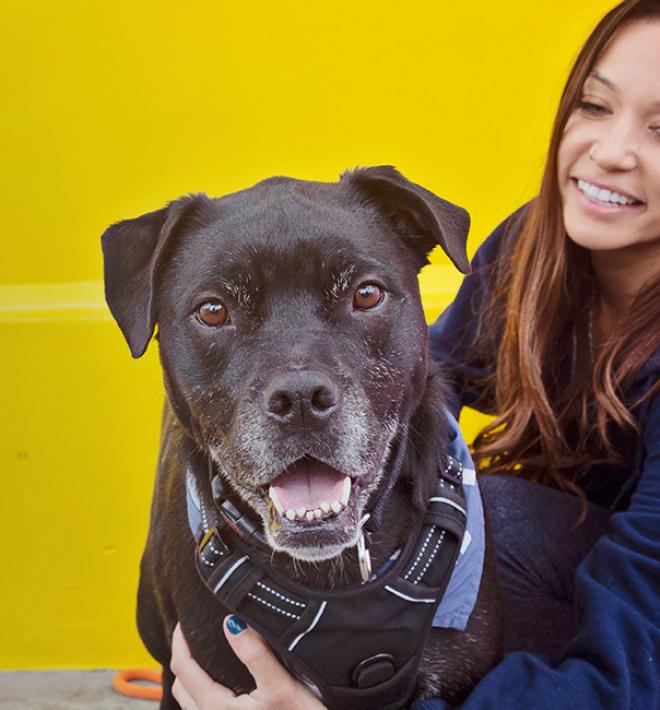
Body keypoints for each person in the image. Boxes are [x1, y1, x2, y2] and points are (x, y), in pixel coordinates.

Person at [169, 0, 660, 706]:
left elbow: (632, 664)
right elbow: (434, 374)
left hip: (640, 616)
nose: (610, 151)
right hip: (602, 568)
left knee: (491, 524)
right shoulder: (540, 253)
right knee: (463, 514)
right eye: (593, 105)